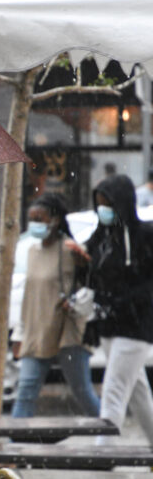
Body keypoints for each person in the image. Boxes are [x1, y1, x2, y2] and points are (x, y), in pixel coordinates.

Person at [10, 193, 100, 418]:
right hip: (37, 331)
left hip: (67, 332)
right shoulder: (31, 251)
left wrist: (85, 265)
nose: (35, 224)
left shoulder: (71, 250)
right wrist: (19, 335)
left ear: (56, 219)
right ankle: (13, 447)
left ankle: (108, 435)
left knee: (82, 391)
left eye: (40, 218)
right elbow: (29, 297)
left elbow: (89, 285)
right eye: (31, 219)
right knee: (26, 391)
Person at [85, 174, 153, 444]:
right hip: (110, 326)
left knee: (113, 390)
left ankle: (103, 453)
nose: (103, 211)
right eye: (100, 204)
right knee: (137, 391)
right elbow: (91, 274)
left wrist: (126, 300)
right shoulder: (103, 238)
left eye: (108, 205)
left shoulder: (143, 237)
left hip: (136, 327)